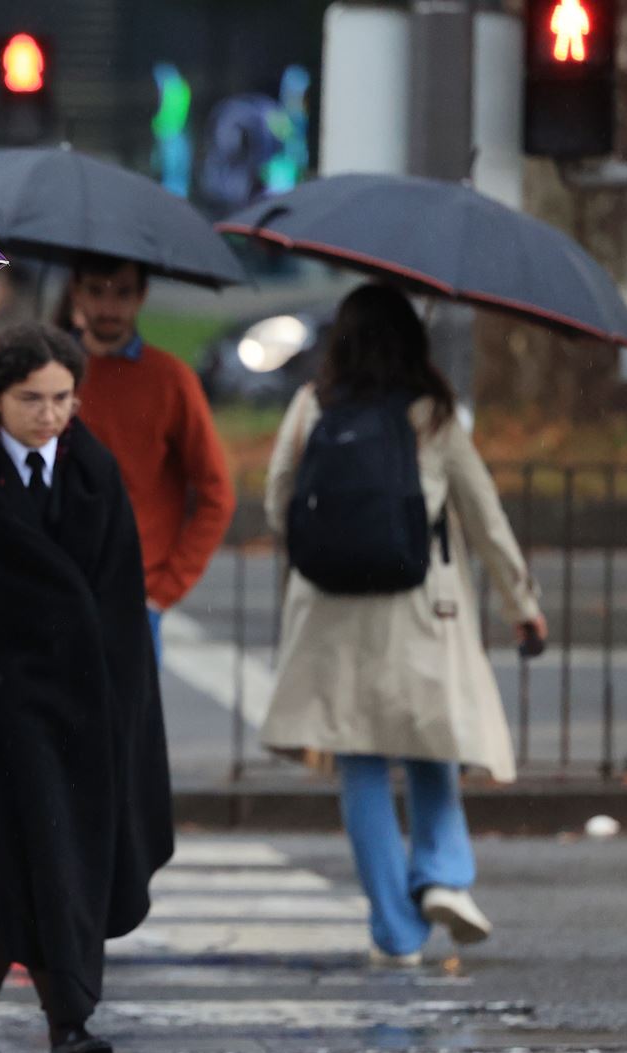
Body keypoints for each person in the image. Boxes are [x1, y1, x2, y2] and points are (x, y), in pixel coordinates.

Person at [0, 324, 173, 1053]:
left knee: (59, 867)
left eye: (62, 399)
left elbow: (118, 597)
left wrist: (121, 711)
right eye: (32, 399)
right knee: (26, 867)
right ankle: (66, 1023)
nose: (50, 414)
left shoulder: (94, 469)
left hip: (80, 709)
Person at [260, 284, 547, 966]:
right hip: (423, 608)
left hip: (331, 614)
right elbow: (486, 521)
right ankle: (443, 875)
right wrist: (522, 605)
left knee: (359, 763)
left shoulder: (310, 407)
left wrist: (330, 545)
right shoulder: (434, 415)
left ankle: (394, 930)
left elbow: (278, 501)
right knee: (431, 745)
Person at [61, 254, 235, 656]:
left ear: (142, 296)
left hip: (134, 596)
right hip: (52, 587)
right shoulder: (47, 375)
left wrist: (164, 591)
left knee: (128, 720)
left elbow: (216, 493)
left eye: (122, 292)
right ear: (76, 291)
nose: (108, 306)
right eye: (96, 291)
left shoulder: (171, 380)